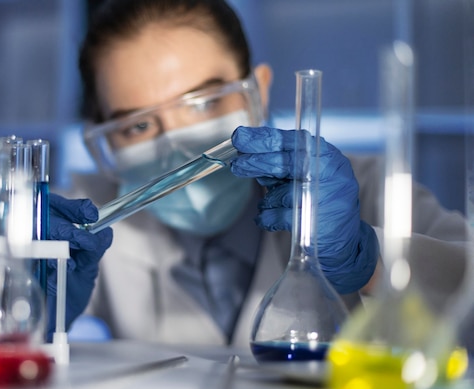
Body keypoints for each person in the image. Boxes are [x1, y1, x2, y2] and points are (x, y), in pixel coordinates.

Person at [47, 0, 468, 346]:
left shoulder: (365, 188)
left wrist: (370, 261)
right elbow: (0, 332)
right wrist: (28, 304)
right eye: (137, 125)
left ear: (258, 91)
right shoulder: (88, 220)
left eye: (203, 103)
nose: (177, 146)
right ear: (101, 141)